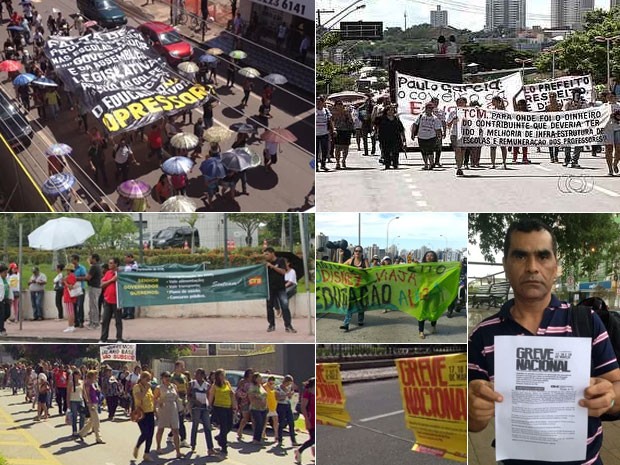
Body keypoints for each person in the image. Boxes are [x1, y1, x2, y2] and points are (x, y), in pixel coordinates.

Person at [468, 218, 620, 465]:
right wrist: (473, 412)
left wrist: (609, 397)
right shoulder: (482, 336)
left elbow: (616, 386)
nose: (532, 267)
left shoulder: (587, 322)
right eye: (519, 256)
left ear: (556, 266)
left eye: (542, 256)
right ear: (505, 264)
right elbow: (474, 423)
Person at [263, 247, 297, 333]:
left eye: (267, 254)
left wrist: (272, 267)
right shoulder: (265, 263)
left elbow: (283, 272)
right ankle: (271, 325)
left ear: (272, 253)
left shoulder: (280, 260)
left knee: (285, 306)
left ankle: (288, 326)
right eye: (264, 254)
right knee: (269, 307)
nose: (265, 256)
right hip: (269, 288)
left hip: (280, 288)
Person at [338, 245, 369, 331]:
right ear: (354, 252)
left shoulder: (364, 261)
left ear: (362, 253)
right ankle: (346, 324)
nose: (357, 252)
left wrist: (362, 270)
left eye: (359, 251)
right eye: (356, 251)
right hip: (351, 287)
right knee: (350, 305)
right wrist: (340, 256)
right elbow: (340, 267)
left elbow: (370, 272)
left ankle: (360, 320)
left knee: (360, 305)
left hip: (362, 287)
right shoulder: (350, 260)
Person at [154, 371, 182, 459]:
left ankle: (178, 452)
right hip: (163, 409)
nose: (167, 378)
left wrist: (181, 407)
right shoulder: (159, 388)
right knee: (161, 429)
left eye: (169, 376)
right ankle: (158, 446)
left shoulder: (173, 386)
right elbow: (154, 399)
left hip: (173, 409)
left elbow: (177, 397)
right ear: (162, 378)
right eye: (165, 376)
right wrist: (156, 409)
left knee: (175, 430)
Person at [208, 368, 236, 456]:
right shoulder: (214, 385)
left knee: (230, 426)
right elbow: (211, 396)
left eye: (224, 375)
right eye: (221, 375)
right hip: (219, 407)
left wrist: (234, 405)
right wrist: (209, 405)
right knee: (224, 426)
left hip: (228, 407)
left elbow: (232, 394)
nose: (223, 376)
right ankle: (224, 447)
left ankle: (220, 437)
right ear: (218, 376)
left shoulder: (227, 383)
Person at [189, 368, 215, 455]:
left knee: (207, 427)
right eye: (196, 374)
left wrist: (209, 404)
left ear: (203, 375)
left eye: (199, 374)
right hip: (196, 408)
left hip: (204, 408)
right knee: (195, 426)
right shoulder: (192, 384)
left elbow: (209, 396)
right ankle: (193, 445)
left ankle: (210, 448)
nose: (196, 376)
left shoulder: (207, 385)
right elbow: (188, 396)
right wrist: (195, 401)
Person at [412, 102, 443, 170]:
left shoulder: (435, 118)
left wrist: (439, 136)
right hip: (421, 136)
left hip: (431, 137)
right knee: (423, 151)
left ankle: (431, 163)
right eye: (428, 108)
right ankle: (426, 164)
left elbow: (438, 128)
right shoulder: (420, 116)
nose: (430, 109)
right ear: (425, 109)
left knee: (430, 151)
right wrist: (413, 134)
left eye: (431, 108)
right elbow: (415, 125)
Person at [132, 371, 156, 462]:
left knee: (150, 434)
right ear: (142, 378)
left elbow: (151, 400)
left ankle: (147, 453)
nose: (149, 381)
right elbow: (139, 397)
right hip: (141, 413)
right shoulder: (137, 387)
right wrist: (146, 388)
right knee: (145, 432)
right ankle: (137, 447)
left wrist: (155, 410)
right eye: (147, 379)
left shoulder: (149, 388)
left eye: (150, 379)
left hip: (150, 412)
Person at [418, 251, 440, 339]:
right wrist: (414, 265)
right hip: (423, 291)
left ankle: (433, 325)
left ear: (434, 257)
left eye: (431, 255)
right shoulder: (421, 267)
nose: (429, 257)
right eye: (427, 255)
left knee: (433, 311)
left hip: (435, 292)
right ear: (425, 257)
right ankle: (421, 331)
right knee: (421, 311)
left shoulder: (439, 267)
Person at [100, 257, 122, 343]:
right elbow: (102, 285)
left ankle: (119, 338)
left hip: (117, 301)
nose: (109, 264)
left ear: (116, 264)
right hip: (107, 300)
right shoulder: (108, 273)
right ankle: (103, 339)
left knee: (118, 321)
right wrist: (112, 280)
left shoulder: (120, 273)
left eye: (111, 263)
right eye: (109, 263)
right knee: (105, 320)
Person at [78, 370, 104, 444]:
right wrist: (90, 403)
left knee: (92, 421)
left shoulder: (93, 383)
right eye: (95, 375)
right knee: (96, 421)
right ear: (91, 376)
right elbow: (87, 394)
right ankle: (98, 438)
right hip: (91, 403)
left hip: (95, 402)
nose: (96, 376)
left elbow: (95, 392)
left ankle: (81, 433)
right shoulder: (87, 384)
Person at [294, 378, 315, 464]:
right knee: (313, 439)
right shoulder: (307, 393)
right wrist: (307, 420)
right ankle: (299, 450)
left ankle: (314, 450)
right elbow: (303, 407)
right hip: (310, 418)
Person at [169, 361, 190, 448]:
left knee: (180, 420)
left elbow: (187, 388)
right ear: (177, 367)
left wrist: (186, 400)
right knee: (178, 420)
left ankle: (173, 436)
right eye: (181, 366)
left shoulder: (184, 377)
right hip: (175, 401)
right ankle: (181, 439)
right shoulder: (171, 377)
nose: (183, 368)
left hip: (183, 400)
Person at [446, 97, 468, 176]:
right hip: (455, 134)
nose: (460, 104)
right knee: (457, 150)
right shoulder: (453, 113)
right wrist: (453, 121)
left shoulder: (469, 113)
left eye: (462, 102)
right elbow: (448, 124)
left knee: (462, 152)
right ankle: (459, 168)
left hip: (465, 134)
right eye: (458, 102)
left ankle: (460, 165)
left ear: (465, 103)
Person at [332, 100, 354, 169]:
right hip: (337, 131)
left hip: (346, 131)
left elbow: (351, 121)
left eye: (341, 104)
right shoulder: (333, 113)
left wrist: (348, 117)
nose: (339, 105)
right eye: (338, 104)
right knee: (337, 148)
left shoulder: (347, 112)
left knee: (345, 147)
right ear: (335, 106)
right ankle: (337, 162)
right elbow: (331, 122)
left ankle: (344, 160)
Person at [275, 375, 297, 447]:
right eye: (288, 383)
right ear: (286, 381)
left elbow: (289, 397)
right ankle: (280, 439)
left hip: (287, 405)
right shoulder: (278, 387)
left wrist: (290, 395)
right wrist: (286, 395)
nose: (289, 385)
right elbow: (277, 398)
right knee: (281, 423)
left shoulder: (289, 388)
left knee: (291, 422)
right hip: (281, 405)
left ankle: (293, 441)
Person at [248, 372, 268, 444]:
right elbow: (251, 396)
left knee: (262, 423)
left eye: (261, 378)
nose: (260, 379)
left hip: (263, 408)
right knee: (258, 422)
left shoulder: (261, 386)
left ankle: (258, 439)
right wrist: (258, 398)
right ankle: (255, 439)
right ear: (255, 379)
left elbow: (265, 395)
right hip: (255, 408)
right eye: (259, 378)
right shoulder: (253, 386)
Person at [604, 91, 620, 176]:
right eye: (608, 97)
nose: (610, 98)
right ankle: (610, 169)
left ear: (615, 97)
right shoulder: (603, 107)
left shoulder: (619, 105)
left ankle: (615, 164)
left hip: (618, 128)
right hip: (608, 130)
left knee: (618, 149)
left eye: (612, 96)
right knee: (609, 149)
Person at [315, 95, 332, 171]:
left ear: (323, 103)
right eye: (316, 102)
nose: (317, 103)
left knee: (324, 149)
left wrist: (332, 130)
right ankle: (316, 166)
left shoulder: (326, 111)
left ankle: (323, 164)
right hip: (315, 134)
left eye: (319, 102)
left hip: (324, 133)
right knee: (316, 150)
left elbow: (330, 121)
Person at [85, 254, 102, 330]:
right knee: (92, 305)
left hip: (94, 287)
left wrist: (78, 278)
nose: (89, 259)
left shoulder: (94, 267)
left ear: (94, 259)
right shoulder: (96, 266)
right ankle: (92, 322)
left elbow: (88, 277)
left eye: (90, 258)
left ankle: (95, 323)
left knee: (94, 306)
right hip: (96, 287)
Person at [235, 368, 253, 440]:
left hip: (252, 401)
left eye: (252, 373)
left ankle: (257, 435)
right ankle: (240, 431)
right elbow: (238, 391)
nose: (251, 374)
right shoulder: (243, 381)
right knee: (245, 418)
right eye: (250, 373)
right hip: (244, 401)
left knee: (253, 418)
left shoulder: (253, 382)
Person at [66, 370, 85, 438]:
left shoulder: (82, 382)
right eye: (78, 374)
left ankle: (81, 430)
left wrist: (87, 400)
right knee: (74, 416)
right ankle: (74, 431)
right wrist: (68, 404)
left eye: (80, 374)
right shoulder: (71, 383)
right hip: (73, 401)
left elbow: (83, 392)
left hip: (80, 400)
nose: (79, 376)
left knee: (82, 415)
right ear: (75, 375)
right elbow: (68, 394)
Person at [545, 92, 563, 163]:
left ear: (556, 97)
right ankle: (551, 157)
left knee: (556, 143)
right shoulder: (547, 107)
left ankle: (556, 156)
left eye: (553, 97)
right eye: (550, 97)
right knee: (550, 142)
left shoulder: (559, 106)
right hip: (549, 127)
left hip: (557, 126)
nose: (552, 98)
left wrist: (560, 109)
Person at [71, 254, 87, 328]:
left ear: (76, 260)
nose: (72, 261)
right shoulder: (71, 268)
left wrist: (76, 278)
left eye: (73, 259)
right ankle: (76, 321)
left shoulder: (82, 268)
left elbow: (85, 277)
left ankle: (81, 321)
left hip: (80, 288)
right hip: (73, 289)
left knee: (80, 305)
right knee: (74, 305)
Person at [61, 263, 78, 333]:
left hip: (69, 296)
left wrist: (65, 281)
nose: (66, 271)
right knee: (71, 311)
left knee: (70, 312)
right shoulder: (71, 276)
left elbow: (70, 287)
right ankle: (71, 326)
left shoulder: (71, 276)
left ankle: (70, 326)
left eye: (67, 270)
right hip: (69, 296)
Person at [262, 375, 279, 442]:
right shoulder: (264, 386)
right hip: (267, 406)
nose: (271, 384)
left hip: (273, 407)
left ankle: (276, 435)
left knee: (275, 421)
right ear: (268, 382)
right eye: (270, 383)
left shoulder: (274, 387)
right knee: (265, 421)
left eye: (273, 383)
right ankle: (263, 433)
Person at [122, 254, 138, 319]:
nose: (125, 260)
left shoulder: (134, 265)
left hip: (131, 284)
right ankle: (125, 313)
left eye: (126, 258)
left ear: (131, 258)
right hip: (125, 283)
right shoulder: (127, 265)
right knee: (125, 298)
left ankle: (130, 314)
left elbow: (132, 274)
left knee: (130, 299)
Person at [0, 264, 12, 336]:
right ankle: (1, 329)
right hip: (0, 299)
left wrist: (10, 298)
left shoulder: (7, 279)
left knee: (7, 313)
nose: (6, 274)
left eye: (6, 272)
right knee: (2, 314)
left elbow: (9, 289)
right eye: (4, 272)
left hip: (6, 298)